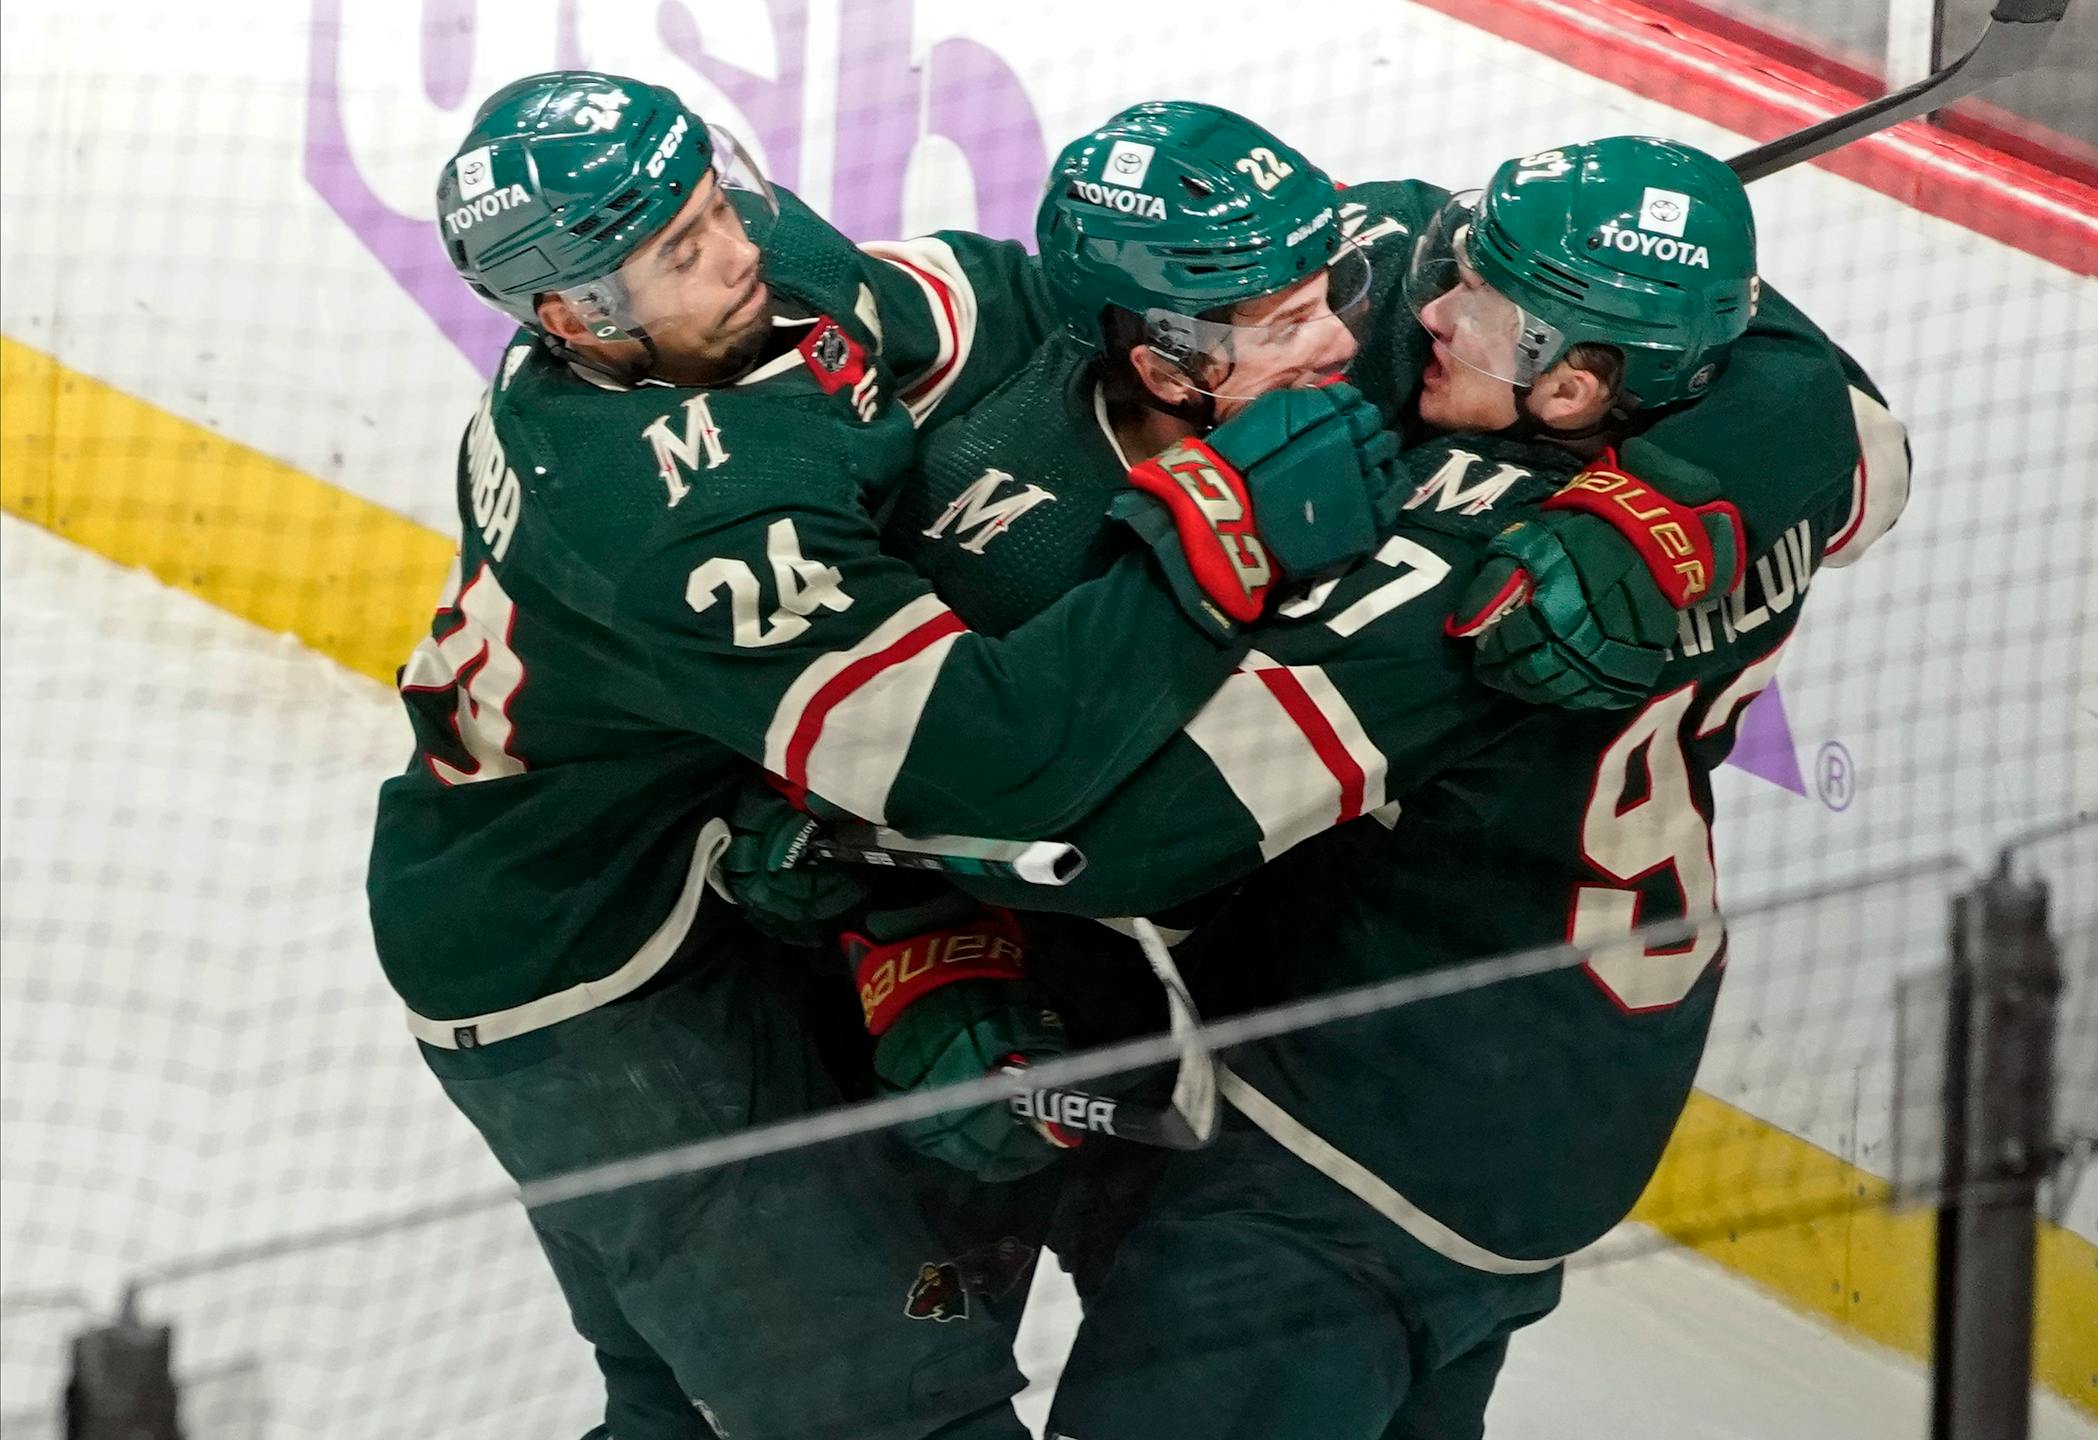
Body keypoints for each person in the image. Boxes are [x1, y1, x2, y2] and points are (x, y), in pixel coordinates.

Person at [364, 71, 1402, 1440]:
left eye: (716, 200)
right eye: (683, 249)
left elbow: (992, 305)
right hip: (584, 984)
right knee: (903, 1407)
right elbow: (990, 765)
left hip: (677, 891)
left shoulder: (725, 297)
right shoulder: (689, 521)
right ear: (576, 319)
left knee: (677, 1401)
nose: (742, 247)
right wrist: (1214, 547)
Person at [855, 123, 1907, 1438]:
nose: (1426, 305)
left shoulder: (1470, 576)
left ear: (1574, 386)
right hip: (1566, 1103)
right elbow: (1861, 433)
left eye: (1481, 297)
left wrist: (864, 854)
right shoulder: (1738, 481)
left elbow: (1130, 841)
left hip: (1345, 1153)